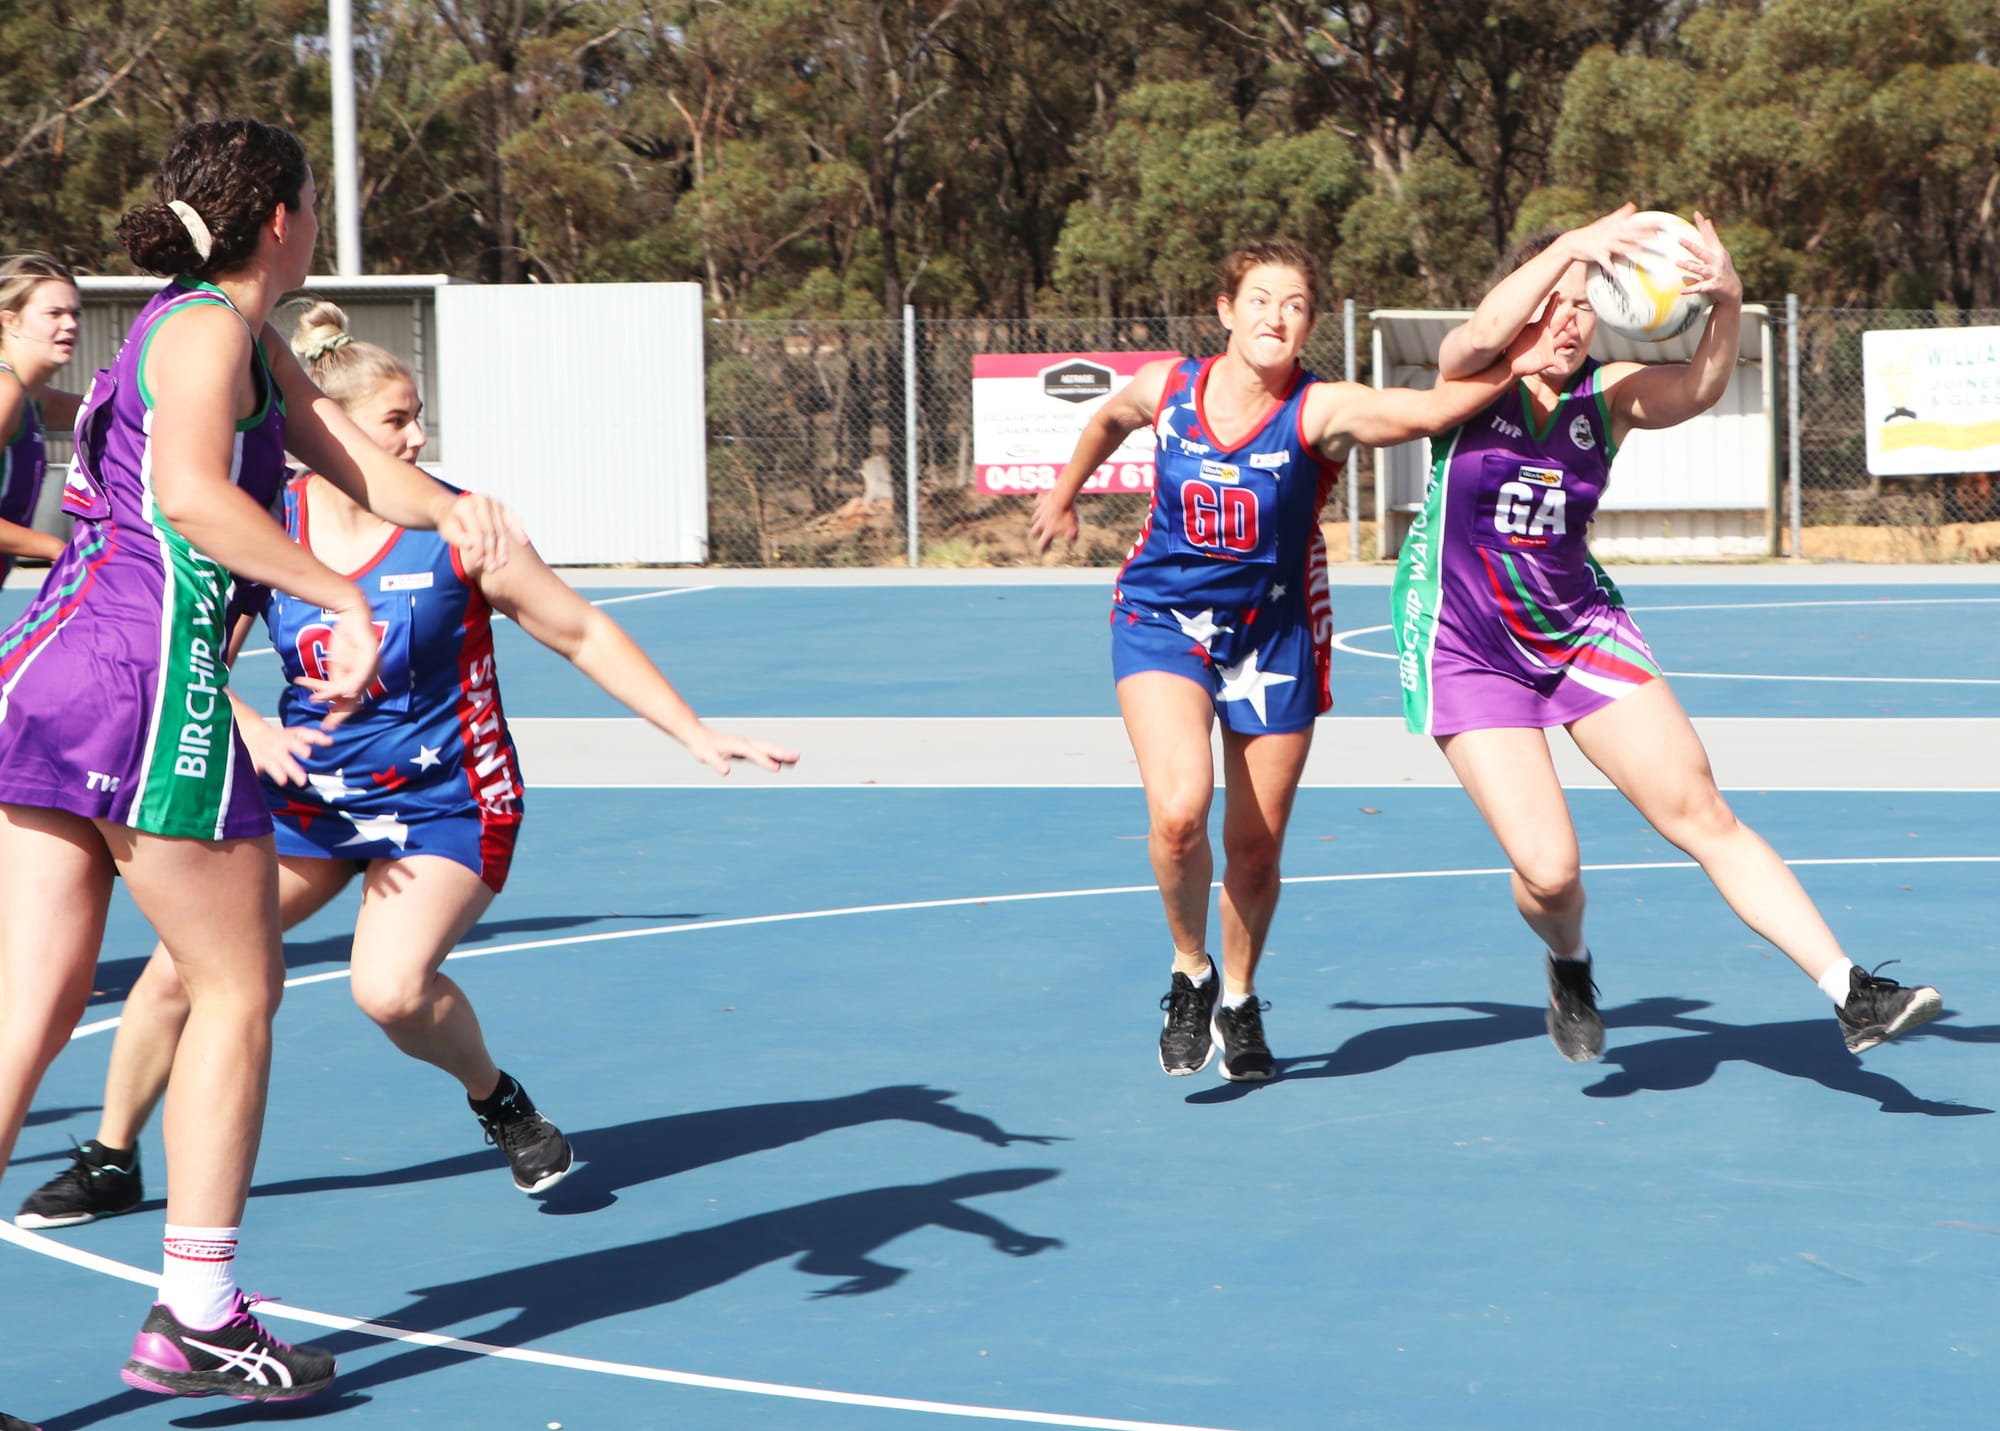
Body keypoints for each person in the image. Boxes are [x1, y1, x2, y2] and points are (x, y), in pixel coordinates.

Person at [17, 300, 799, 1236]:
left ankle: (498, 1098)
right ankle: (111, 1158)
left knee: (387, 990)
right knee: (176, 975)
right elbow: (185, 652)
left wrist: (694, 730)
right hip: (312, 796)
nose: (419, 434)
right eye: (397, 420)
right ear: (336, 433)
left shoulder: (456, 529)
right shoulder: (272, 524)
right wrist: (250, 722)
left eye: (418, 413)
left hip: (445, 799)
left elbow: (579, 628)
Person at [0, 118, 522, 1421]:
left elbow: (346, 462)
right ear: (280, 216)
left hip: (50, 669)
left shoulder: (210, 328)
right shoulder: (211, 335)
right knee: (236, 986)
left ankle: (196, 1308)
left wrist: (454, 510)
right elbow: (191, 493)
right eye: (309, 195)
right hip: (146, 682)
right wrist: (339, 592)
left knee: (32, 1009)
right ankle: (198, 1311)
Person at [1392, 203, 1942, 1064]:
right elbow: (1481, 329)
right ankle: (1568, 962)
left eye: (1584, 306)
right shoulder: (1469, 381)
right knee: (1550, 871)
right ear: (1523, 297)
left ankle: (1852, 989)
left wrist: (1726, 301)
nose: (1569, 321)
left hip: (1577, 627)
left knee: (1702, 809)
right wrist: (1570, 246)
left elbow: (1697, 387)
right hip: (1467, 645)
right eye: (1554, 302)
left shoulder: (1603, 397)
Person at [1030, 240, 1532, 1083]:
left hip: (1275, 637)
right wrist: (1063, 490)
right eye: (1260, 299)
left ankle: (1240, 998)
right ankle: (1191, 973)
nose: (1276, 315)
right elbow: (1110, 416)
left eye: (1295, 303)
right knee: (1181, 813)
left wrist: (1523, 362)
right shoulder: (1170, 387)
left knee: (1255, 851)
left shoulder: (1319, 409)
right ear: (1225, 310)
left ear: (1308, 323)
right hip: (1163, 619)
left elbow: (1429, 412)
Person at [0, 253, 86, 585]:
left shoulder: (34, 397)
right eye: (54, 313)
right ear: (10, 321)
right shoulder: (6, 392)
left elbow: (107, 410)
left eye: (75, 313)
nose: (71, 324)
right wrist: (52, 546)